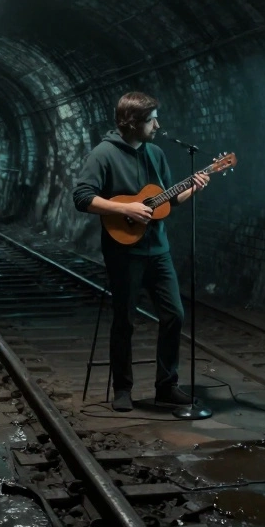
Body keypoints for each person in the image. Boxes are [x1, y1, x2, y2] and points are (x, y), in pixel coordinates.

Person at [71, 92, 208, 412]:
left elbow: (167, 199)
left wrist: (194, 186)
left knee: (174, 314)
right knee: (125, 321)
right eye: (151, 120)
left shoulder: (156, 154)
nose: (157, 125)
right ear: (131, 123)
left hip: (158, 249)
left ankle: (166, 385)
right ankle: (122, 388)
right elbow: (81, 197)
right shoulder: (103, 154)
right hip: (122, 250)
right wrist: (124, 209)